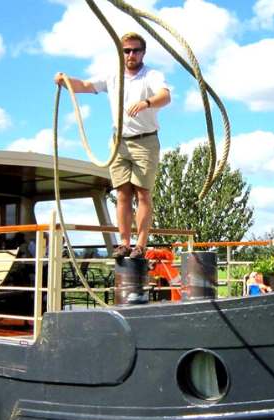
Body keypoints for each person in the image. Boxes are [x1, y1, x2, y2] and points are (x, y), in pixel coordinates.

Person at [53, 32, 171, 260]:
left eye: (136, 50)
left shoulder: (152, 75)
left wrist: (146, 103)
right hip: (119, 142)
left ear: (143, 53)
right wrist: (65, 81)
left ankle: (141, 245)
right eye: (127, 50)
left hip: (145, 141)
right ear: (121, 53)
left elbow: (165, 96)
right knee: (122, 193)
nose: (131, 54)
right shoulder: (113, 75)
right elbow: (86, 85)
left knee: (143, 193)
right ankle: (124, 243)